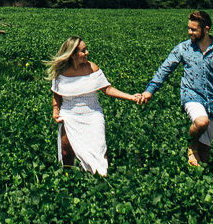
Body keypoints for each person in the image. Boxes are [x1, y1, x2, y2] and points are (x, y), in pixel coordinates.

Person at [134, 10, 213, 166]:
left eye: (194, 29)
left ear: (206, 29)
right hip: (191, 96)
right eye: (189, 28)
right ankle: (191, 145)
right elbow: (165, 69)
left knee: (205, 154)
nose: (189, 32)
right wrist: (149, 90)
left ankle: (199, 179)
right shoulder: (183, 48)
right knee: (201, 122)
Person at [46, 36, 142, 176]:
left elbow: (107, 89)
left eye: (86, 50)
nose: (87, 53)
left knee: (98, 149)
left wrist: (131, 96)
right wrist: (56, 110)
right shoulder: (60, 72)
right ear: (72, 54)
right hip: (69, 114)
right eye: (83, 51)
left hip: (92, 113)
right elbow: (56, 94)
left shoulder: (92, 68)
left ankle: (101, 176)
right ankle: (68, 178)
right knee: (66, 150)